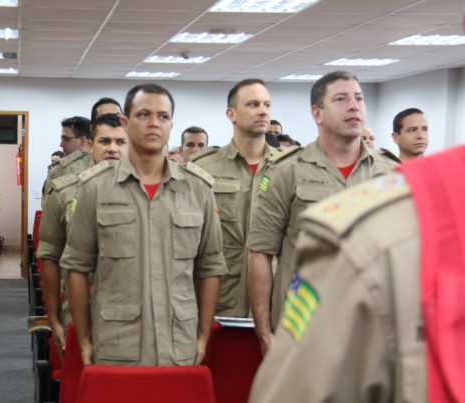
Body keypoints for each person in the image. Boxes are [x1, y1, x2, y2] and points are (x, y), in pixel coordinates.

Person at [211, 145, 465, 403]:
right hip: (306, 316)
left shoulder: (384, 169)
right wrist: (265, 330)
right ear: (318, 116)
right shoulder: (383, 233)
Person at [60, 83, 227, 367]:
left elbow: (210, 266)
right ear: (125, 123)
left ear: (171, 125)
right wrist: (85, 339)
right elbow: (76, 266)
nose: (154, 123)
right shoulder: (96, 188)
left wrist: (202, 336)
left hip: (180, 344)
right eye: (144, 114)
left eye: (163, 116)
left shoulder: (198, 189)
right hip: (115, 344)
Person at [247, 71, 396, 354]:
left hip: (371, 330)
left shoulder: (392, 174)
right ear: (317, 113)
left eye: (359, 98)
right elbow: (260, 252)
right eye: (341, 99)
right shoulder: (286, 170)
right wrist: (264, 332)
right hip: (301, 328)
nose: (353, 106)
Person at [37, 114, 128, 354]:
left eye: (120, 142)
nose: (112, 148)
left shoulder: (151, 192)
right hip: (80, 308)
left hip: (134, 314)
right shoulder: (65, 191)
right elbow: (49, 255)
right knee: (80, 374)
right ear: (90, 145)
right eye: (104, 141)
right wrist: (53, 318)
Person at [192, 78, 279, 317]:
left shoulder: (288, 167)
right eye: (253, 104)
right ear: (231, 114)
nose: (263, 111)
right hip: (219, 299)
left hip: (275, 301)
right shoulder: (203, 168)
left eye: (267, 104)